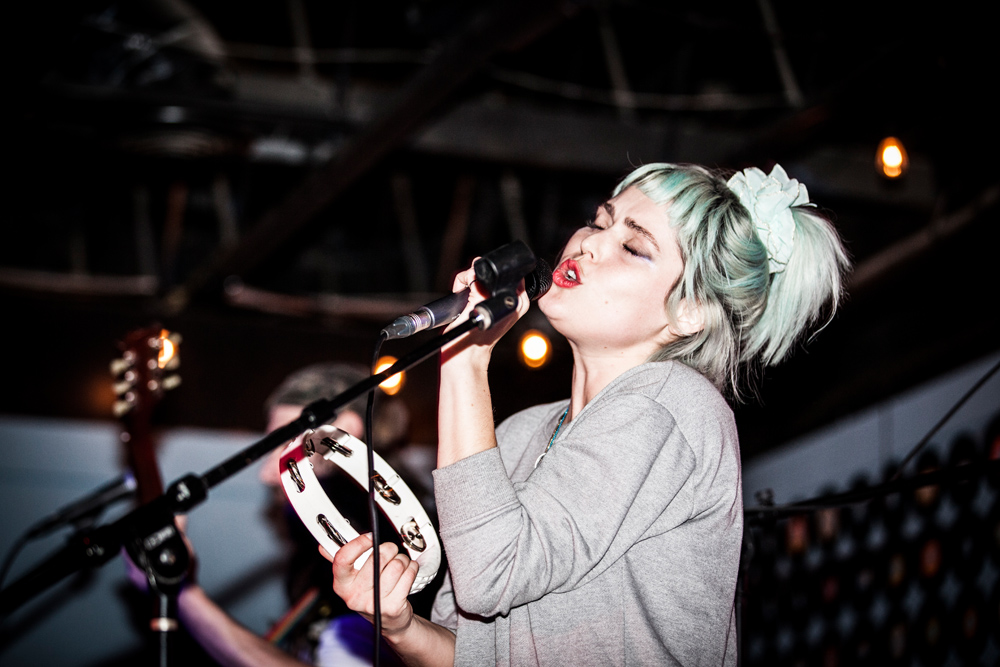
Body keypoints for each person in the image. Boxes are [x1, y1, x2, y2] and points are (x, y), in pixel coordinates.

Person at [326, 163, 850, 665]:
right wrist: (399, 626)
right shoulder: (517, 433)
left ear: (689, 312)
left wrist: (464, 356)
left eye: (633, 246)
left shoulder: (671, 405)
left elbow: (490, 574)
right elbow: (475, 652)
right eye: (599, 221)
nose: (591, 242)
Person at [126, 362, 428, 667]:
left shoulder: (357, 518)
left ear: (343, 432)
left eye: (283, 444)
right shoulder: (355, 543)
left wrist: (183, 594)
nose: (266, 474)